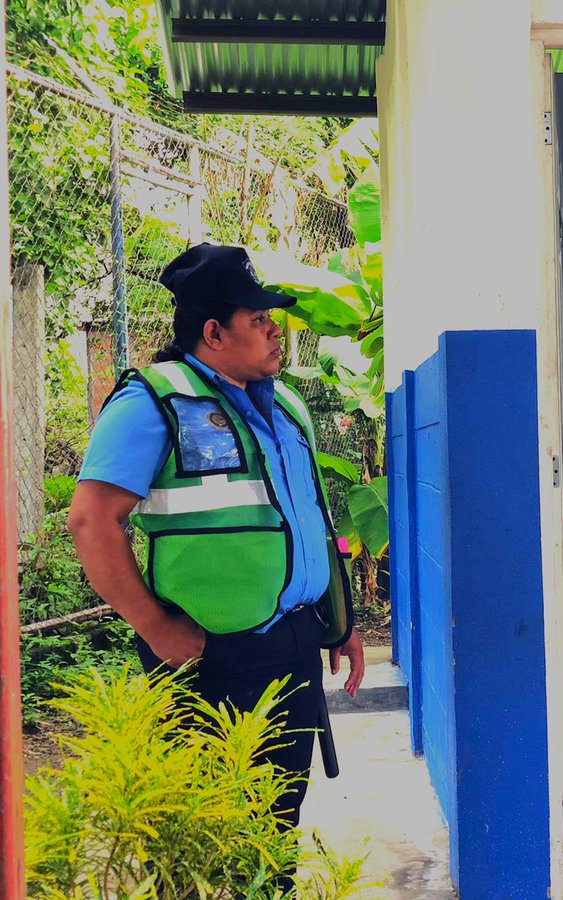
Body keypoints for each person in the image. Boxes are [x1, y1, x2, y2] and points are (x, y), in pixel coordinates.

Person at [68, 243, 365, 835]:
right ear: (214, 333)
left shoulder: (286, 406)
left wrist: (340, 621)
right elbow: (91, 520)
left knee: (279, 817)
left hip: (294, 645)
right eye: (258, 320)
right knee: (209, 832)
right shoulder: (152, 402)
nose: (275, 330)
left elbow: (307, 521)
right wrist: (155, 628)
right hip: (209, 658)